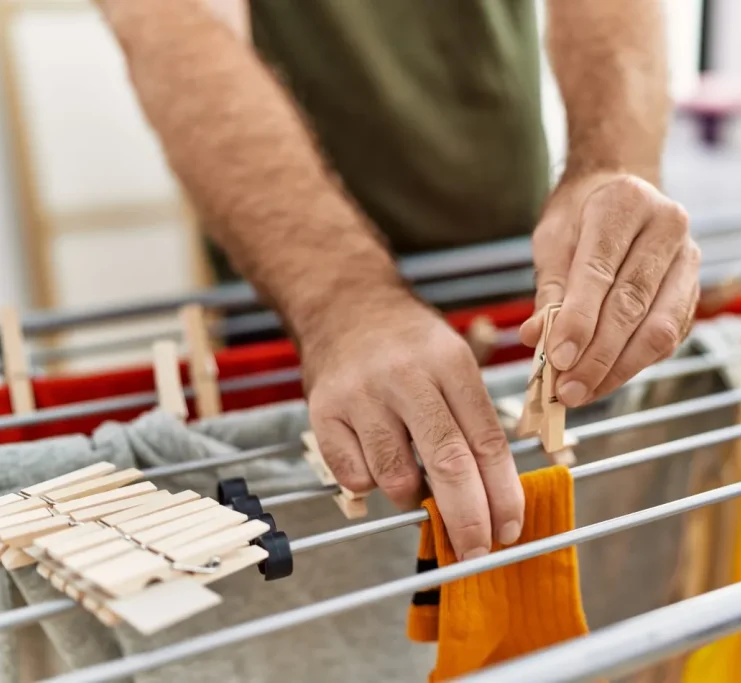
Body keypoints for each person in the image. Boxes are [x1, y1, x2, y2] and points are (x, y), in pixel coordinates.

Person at [95, 0, 701, 563]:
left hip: (519, 262)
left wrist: (613, 165)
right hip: (297, 298)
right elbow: (172, 24)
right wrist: (342, 302)